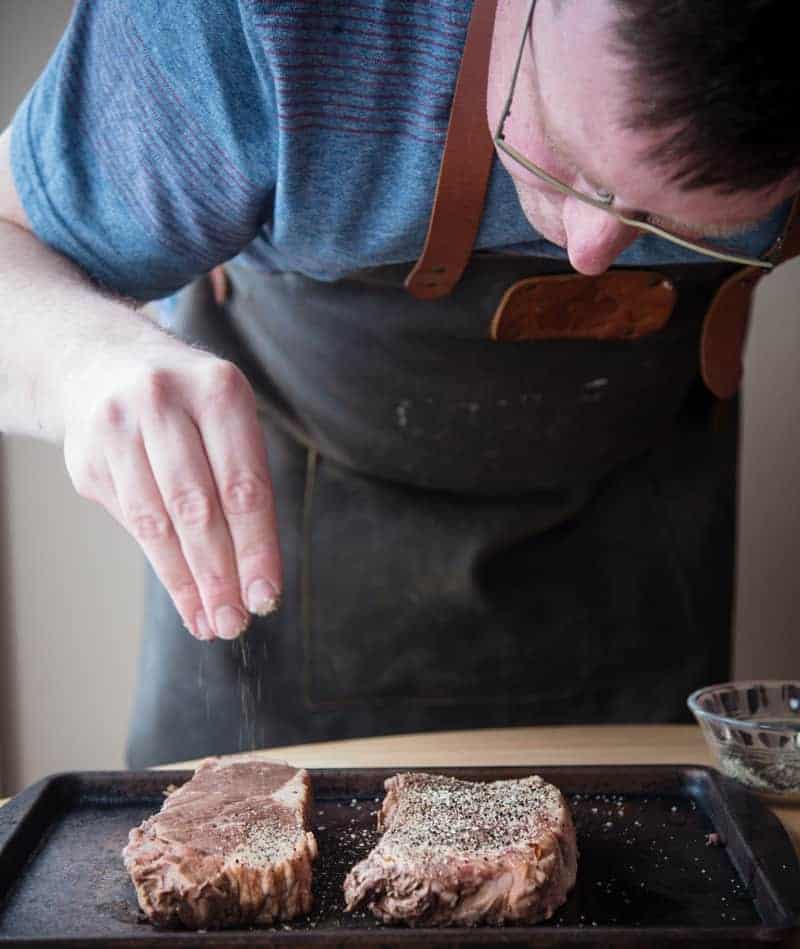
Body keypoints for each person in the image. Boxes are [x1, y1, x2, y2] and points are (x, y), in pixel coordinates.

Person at [0, 0, 797, 767]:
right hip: (298, 544)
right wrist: (83, 361)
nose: (590, 250)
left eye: (675, 225)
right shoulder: (252, 20)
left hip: (640, 550)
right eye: (569, 155)